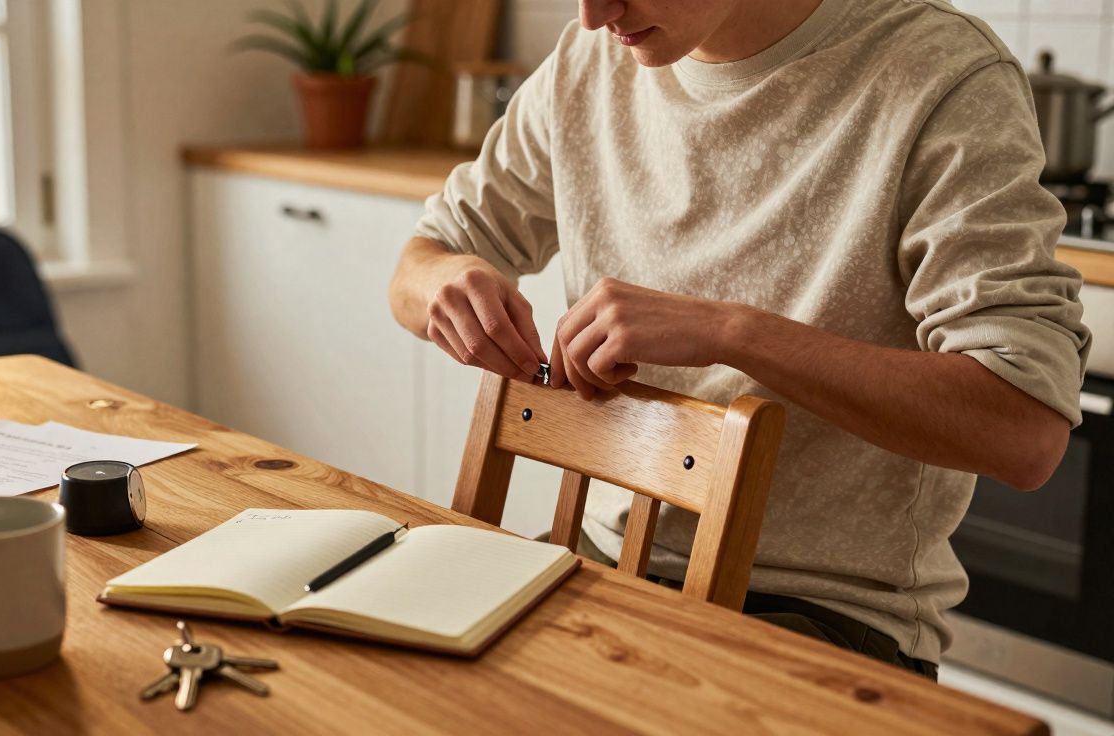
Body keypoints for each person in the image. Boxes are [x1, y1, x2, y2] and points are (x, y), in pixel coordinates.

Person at [387, 0, 1092, 679]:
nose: (592, 16)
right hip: (595, 571)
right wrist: (447, 283)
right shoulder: (587, 61)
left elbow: (1024, 433)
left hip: (816, 619)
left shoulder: (941, 75)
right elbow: (424, 260)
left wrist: (731, 331)